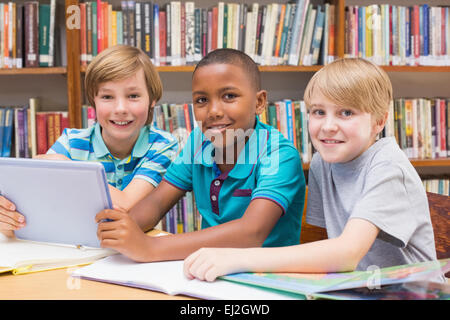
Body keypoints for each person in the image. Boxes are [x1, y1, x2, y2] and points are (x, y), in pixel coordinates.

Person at [183, 57, 440, 282]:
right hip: (359, 289)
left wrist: (236, 258)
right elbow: (328, 247)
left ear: (380, 121)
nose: (328, 126)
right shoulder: (323, 162)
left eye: (346, 113)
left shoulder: (388, 167)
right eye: (318, 111)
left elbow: (346, 253)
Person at [94, 48, 306, 262]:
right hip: (207, 271)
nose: (213, 111)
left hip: (264, 277)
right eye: (202, 100)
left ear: (259, 102)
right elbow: (157, 203)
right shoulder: (198, 142)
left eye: (229, 96)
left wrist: (150, 247)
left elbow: (250, 233)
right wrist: (121, 231)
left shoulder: (280, 155)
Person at [0, 45, 178, 237]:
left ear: (152, 99)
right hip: (77, 245)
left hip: (135, 248)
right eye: (107, 96)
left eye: (133, 96)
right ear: (94, 101)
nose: (120, 108)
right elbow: (35, 208)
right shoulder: (71, 141)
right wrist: (9, 220)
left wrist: (68, 169)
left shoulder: (162, 145)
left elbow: (127, 204)